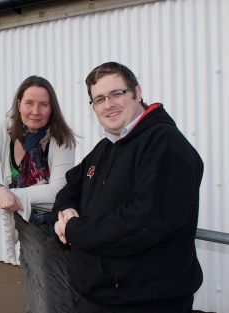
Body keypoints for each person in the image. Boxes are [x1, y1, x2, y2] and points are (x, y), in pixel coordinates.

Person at [53, 62, 203, 313]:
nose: (108, 105)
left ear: (137, 92)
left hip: (145, 301)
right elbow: (71, 187)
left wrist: (74, 229)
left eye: (116, 93)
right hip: (100, 296)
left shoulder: (165, 145)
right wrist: (66, 210)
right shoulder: (107, 147)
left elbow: (146, 221)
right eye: (99, 99)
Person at [0, 75, 77, 312]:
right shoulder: (5, 130)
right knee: (35, 284)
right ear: (19, 103)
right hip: (24, 220)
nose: (35, 111)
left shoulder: (61, 138)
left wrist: (9, 194)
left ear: (52, 109)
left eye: (43, 104)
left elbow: (57, 191)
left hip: (53, 225)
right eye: (29, 103)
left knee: (54, 295)